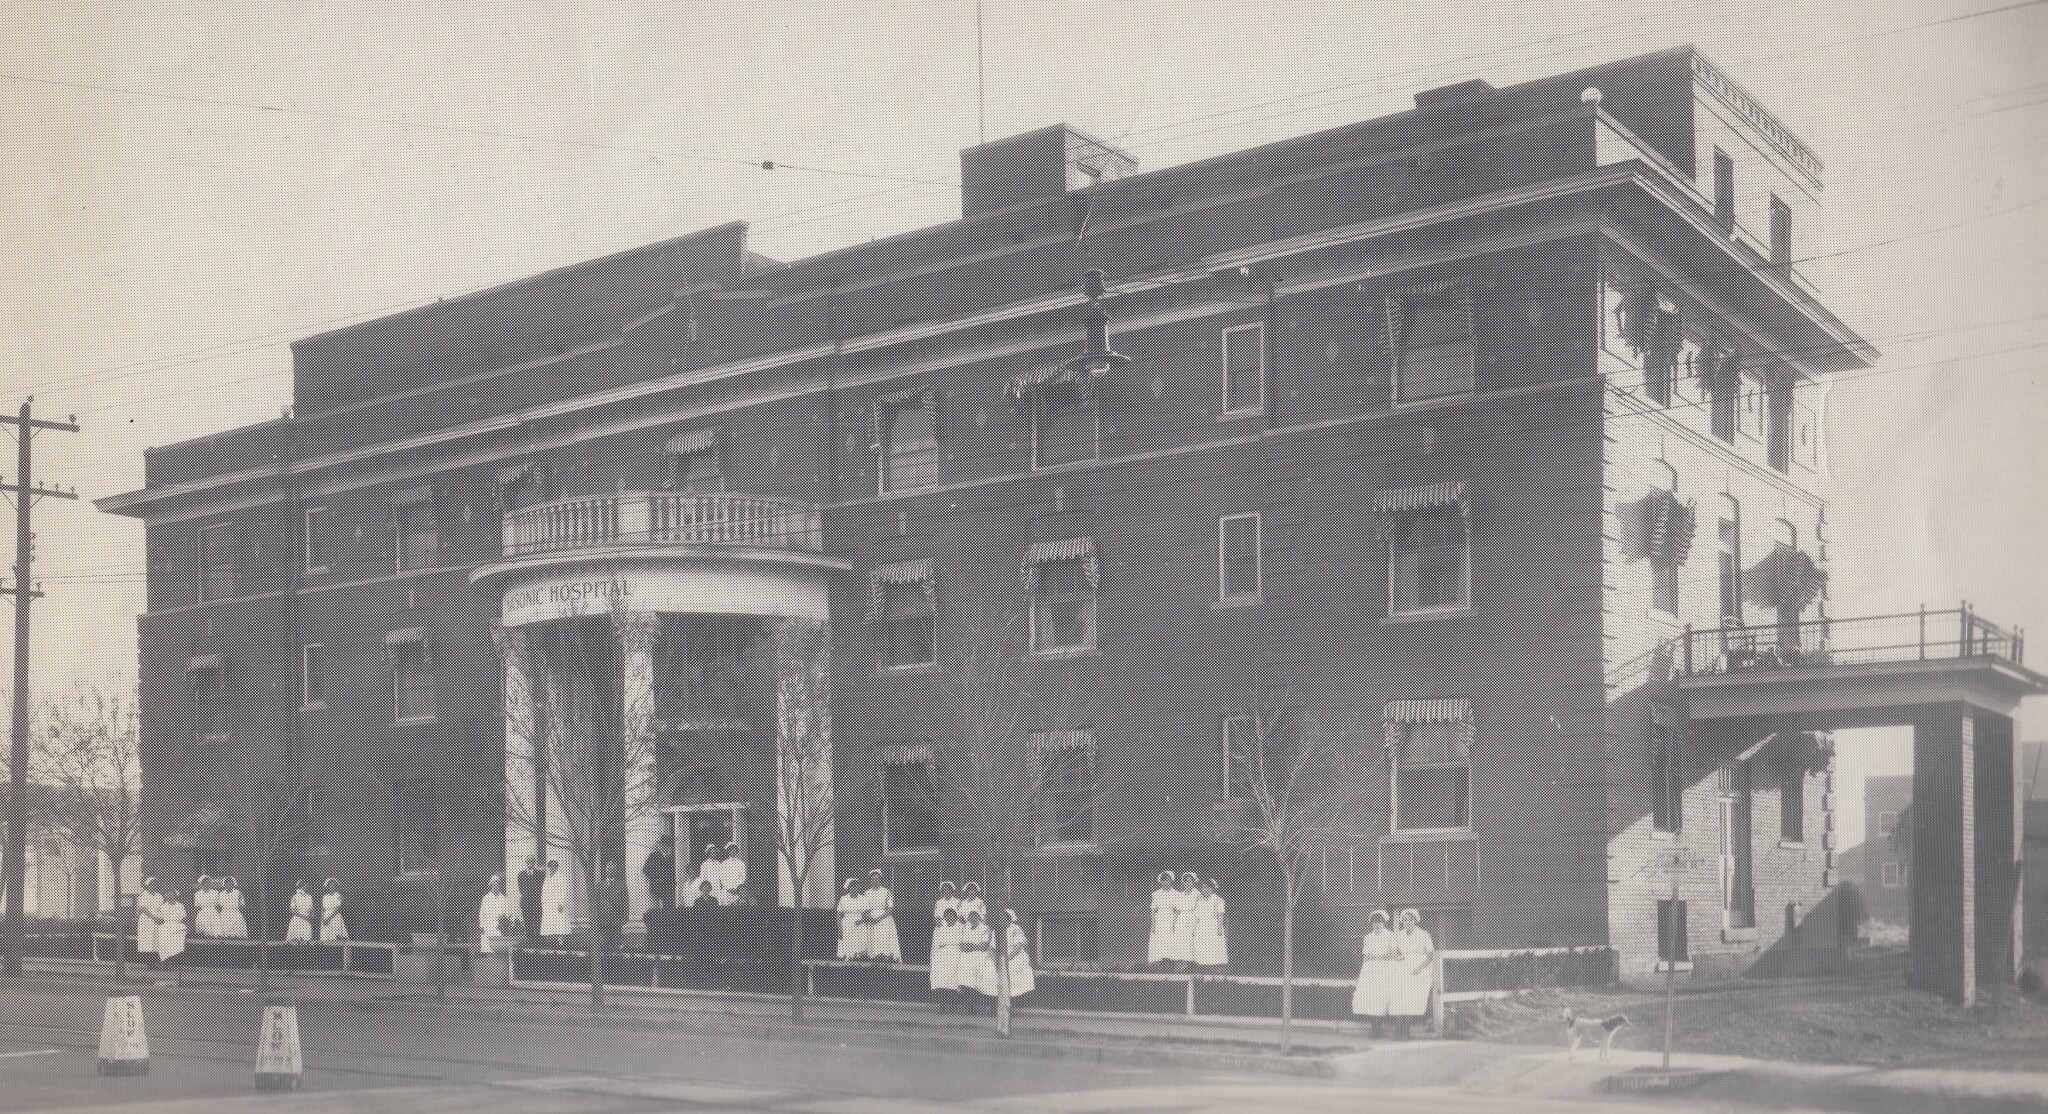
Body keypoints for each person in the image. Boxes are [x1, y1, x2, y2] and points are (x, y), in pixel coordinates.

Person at [1387, 908, 1435, 1038]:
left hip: (1418, 968)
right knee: (1398, 997)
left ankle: (1406, 1030)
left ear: (1415, 920)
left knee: (1410, 998)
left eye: (1410, 920)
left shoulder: (1423, 934)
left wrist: (1419, 968)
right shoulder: (1398, 935)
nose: (1407, 922)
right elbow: (1393, 950)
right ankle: (1398, 1029)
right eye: (1405, 920)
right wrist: (1397, 956)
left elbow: (1430, 955)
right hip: (1402, 966)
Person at [1352, 909, 1397, 1037]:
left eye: (1380, 922)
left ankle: (1380, 1028)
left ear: (1384, 923)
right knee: (1371, 999)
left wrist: (1376, 957)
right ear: (1371, 924)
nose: (1377, 925)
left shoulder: (1390, 936)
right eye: (1374, 922)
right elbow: (1366, 957)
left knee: (1381, 998)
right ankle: (1375, 1030)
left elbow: (1391, 955)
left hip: (1385, 970)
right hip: (1370, 970)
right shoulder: (1368, 937)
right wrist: (1361, 974)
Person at [957, 908, 998, 1014]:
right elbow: (962, 944)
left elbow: (984, 946)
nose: (972, 918)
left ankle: (989, 1008)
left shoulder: (985, 929)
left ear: (979, 917)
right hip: (966, 960)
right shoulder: (966, 928)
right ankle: (969, 1006)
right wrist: (968, 946)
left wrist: (971, 946)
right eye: (970, 916)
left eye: (975, 916)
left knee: (980, 983)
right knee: (965, 982)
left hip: (981, 959)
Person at [862, 868, 901, 963]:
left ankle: (887, 958)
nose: (874, 881)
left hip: (884, 920)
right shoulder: (866, 893)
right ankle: (873, 959)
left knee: (884, 939)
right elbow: (865, 909)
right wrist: (870, 917)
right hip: (871, 920)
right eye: (872, 879)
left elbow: (890, 909)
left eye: (877, 879)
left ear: (880, 879)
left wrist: (878, 918)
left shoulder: (886, 892)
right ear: (870, 880)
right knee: (873, 939)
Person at [928, 907, 963, 1012]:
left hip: (955, 955)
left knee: (952, 981)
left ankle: (952, 1006)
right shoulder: (940, 928)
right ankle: (942, 1005)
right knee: (941, 980)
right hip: (942, 956)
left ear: (955, 917)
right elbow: (935, 944)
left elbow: (962, 942)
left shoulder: (961, 927)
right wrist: (933, 958)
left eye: (951, 916)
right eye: (947, 917)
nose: (949, 918)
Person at [1192, 878, 1229, 970]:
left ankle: (1216, 967)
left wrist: (1219, 928)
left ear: (1212, 888)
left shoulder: (1218, 900)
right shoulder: (1199, 900)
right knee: (1201, 946)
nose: (1205, 889)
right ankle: (1202, 967)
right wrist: (1194, 928)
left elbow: (1220, 915)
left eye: (1208, 887)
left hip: (1213, 925)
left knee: (1213, 946)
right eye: (1203, 887)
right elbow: (1196, 915)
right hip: (1201, 926)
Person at [594, 861, 629, 952]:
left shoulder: (621, 885)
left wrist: (625, 917)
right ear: (605, 870)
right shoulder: (600, 885)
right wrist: (596, 918)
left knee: (616, 943)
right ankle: (607, 958)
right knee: (605, 943)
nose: (610, 870)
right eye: (609, 869)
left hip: (616, 918)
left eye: (612, 869)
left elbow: (625, 902)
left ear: (615, 871)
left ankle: (616, 958)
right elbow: (596, 903)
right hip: (603, 918)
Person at [1002, 909, 1036, 1002]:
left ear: (1009, 919)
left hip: (1014, 954)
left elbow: (1018, 946)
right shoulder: (998, 929)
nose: (1002, 920)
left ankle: (1011, 999)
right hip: (1001, 954)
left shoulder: (1015, 929)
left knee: (1011, 969)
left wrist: (1007, 958)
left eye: (1004, 918)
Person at [1147, 870, 1177, 968]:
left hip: (1171, 919)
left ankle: (1171, 964)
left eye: (1167, 880)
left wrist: (1175, 922)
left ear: (1171, 881)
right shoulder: (1156, 894)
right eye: (1163, 880)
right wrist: (1153, 924)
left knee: (1171, 941)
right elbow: (1153, 910)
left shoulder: (1176, 894)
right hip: (1160, 919)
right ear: (1161, 881)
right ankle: (1162, 965)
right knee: (1161, 942)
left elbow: (1178, 910)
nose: (1165, 882)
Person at [1173, 871, 1202, 971]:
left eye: (1190, 881)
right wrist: (1174, 922)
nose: (1188, 883)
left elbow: (1199, 910)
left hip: (1192, 918)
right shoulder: (1180, 895)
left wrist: (1196, 924)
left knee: (1190, 941)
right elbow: (1177, 910)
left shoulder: (1198, 894)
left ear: (1194, 882)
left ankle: (1191, 964)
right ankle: (1182, 964)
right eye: (1186, 881)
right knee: (1181, 941)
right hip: (1181, 919)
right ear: (1183, 883)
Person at [477, 874, 513, 954]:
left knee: (498, 949)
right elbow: (482, 913)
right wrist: (481, 926)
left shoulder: (503, 899)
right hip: (488, 926)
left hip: (500, 927)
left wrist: (506, 925)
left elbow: (508, 913)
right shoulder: (486, 898)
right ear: (491, 886)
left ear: (499, 886)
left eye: (497, 885)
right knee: (488, 949)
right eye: (493, 885)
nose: (495, 887)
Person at [155, 888, 188, 969]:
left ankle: (171, 962)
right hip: (166, 926)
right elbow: (160, 918)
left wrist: (177, 924)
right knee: (163, 940)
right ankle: (164, 961)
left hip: (177, 926)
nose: (170, 897)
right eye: (168, 895)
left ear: (175, 896)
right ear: (166, 896)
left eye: (172, 895)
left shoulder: (180, 905)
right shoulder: (163, 906)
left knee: (174, 941)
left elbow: (184, 917)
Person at [538, 859, 571, 941]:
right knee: (549, 923)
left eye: (554, 865)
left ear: (557, 866)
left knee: (559, 922)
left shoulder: (561, 877)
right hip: (548, 904)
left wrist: (561, 903)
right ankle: (551, 942)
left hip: (557, 903)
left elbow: (564, 891)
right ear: (548, 866)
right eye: (550, 865)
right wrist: (543, 902)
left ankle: (560, 941)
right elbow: (544, 890)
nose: (552, 867)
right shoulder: (547, 877)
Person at [643, 834, 677, 911]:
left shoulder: (671, 858)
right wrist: (656, 878)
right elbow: (645, 869)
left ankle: (668, 916)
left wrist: (673, 883)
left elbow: (673, 872)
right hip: (657, 886)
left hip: (668, 886)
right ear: (660, 845)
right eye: (663, 845)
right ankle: (663, 916)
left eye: (667, 845)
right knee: (662, 903)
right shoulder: (653, 856)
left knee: (669, 903)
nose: (665, 847)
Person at [516, 855, 546, 940]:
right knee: (527, 924)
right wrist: (529, 894)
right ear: (526, 862)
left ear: (534, 862)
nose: (530, 863)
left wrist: (534, 896)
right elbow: (521, 889)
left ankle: (538, 943)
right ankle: (529, 942)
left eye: (532, 861)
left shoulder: (540, 874)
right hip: (526, 903)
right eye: (528, 861)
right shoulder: (521, 874)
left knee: (537, 923)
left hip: (537, 903)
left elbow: (541, 888)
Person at [836, 878, 866, 959]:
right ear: (849, 888)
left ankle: (858, 958)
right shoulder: (843, 899)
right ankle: (847, 958)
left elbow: (867, 913)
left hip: (860, 924)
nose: (854, 889)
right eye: (852, 887)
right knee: (847, 941)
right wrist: (840, 929)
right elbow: (838, 914)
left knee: (859, 941)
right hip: (847, 924)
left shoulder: (863, 899)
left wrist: (862, 920)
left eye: (856, 886)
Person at [135, 878, 161, 966]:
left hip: (157, 920)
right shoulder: (143, 895)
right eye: (151, 884)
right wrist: (154, 918)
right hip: (146, 920)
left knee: (156, 940)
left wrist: (160, 918)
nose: (153, 886)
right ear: (148, 885)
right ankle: (148, 962)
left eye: (155, 884)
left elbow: (161, 908)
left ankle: (155, 961)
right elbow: (143, 909)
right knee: (147, 941)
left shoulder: (159, 896)